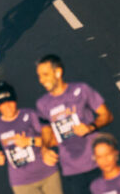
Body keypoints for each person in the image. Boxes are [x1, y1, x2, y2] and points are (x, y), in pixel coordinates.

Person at [35, 55, 114, 193]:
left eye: (45, 74)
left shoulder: (81, 90)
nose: (42, 80)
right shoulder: (42, 104)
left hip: (97, 163)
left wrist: (91, 127)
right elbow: (46, 132)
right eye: (39, 76)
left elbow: (107, 115)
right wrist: (44, 149)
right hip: (71, 170)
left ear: (58, 72)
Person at [0, 82, 63, 194]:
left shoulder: (30, 115)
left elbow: (53, 139)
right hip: (21, 183)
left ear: (15, 99)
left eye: (10, 101)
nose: (8, 106)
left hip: (47, 174)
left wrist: (30, 141)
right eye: (3, 103)